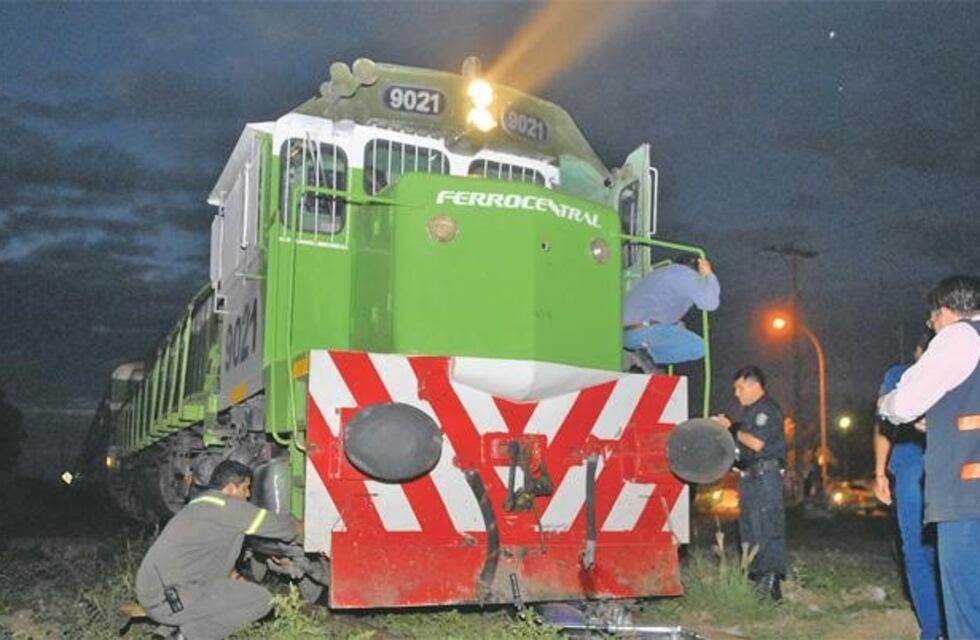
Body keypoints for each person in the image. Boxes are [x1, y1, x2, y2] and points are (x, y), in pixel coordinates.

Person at [879, 275, 980, 640]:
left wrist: (886, 404)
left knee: (967, 607)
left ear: (946, 311)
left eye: (932, 319)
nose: (932, 327)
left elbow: (904, 403)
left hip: (967, 494)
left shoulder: (958, 336)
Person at [136, 459, 299, 640]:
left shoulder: (199, 504)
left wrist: (229, 574)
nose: (248, 495)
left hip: (154, 593)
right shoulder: (228, 506)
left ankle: (162, 634)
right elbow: (285, 527)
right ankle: (184, 636)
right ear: (230, 489)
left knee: (219, 591)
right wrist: (309, 525)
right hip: (168, 600)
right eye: (246, 488)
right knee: (262, 600)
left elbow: (205, 554)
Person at [873, 331, 944, 640]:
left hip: (913, 468)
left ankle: (932, 629)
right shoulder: (961, 369)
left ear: (918, 349)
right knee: (951, 548)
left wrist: (880, 472)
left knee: (916, 550)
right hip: (951, 470)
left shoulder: (901, 374)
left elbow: (883, 424)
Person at [712, 365, 787, 600]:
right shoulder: (749, 413)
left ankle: (770, 583)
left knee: (767, 528)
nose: (736, 393)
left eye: (740, 388)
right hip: (750, 477)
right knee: (750, 529)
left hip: (765, 477)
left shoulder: (766, 409)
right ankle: (757, 580)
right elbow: (742, 449)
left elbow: (756, 443)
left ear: (755, 386)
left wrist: (731, 428)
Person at [623, 255, 720, 366]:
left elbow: (658, 305)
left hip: (626, 332)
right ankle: (647, 357)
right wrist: (709, 275)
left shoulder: (661, 272)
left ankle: (645, 356)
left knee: (676, 330)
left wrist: (673, 325)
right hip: (641, 332)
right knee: (698, 347)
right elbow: (710, 303)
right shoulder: (686, 274)